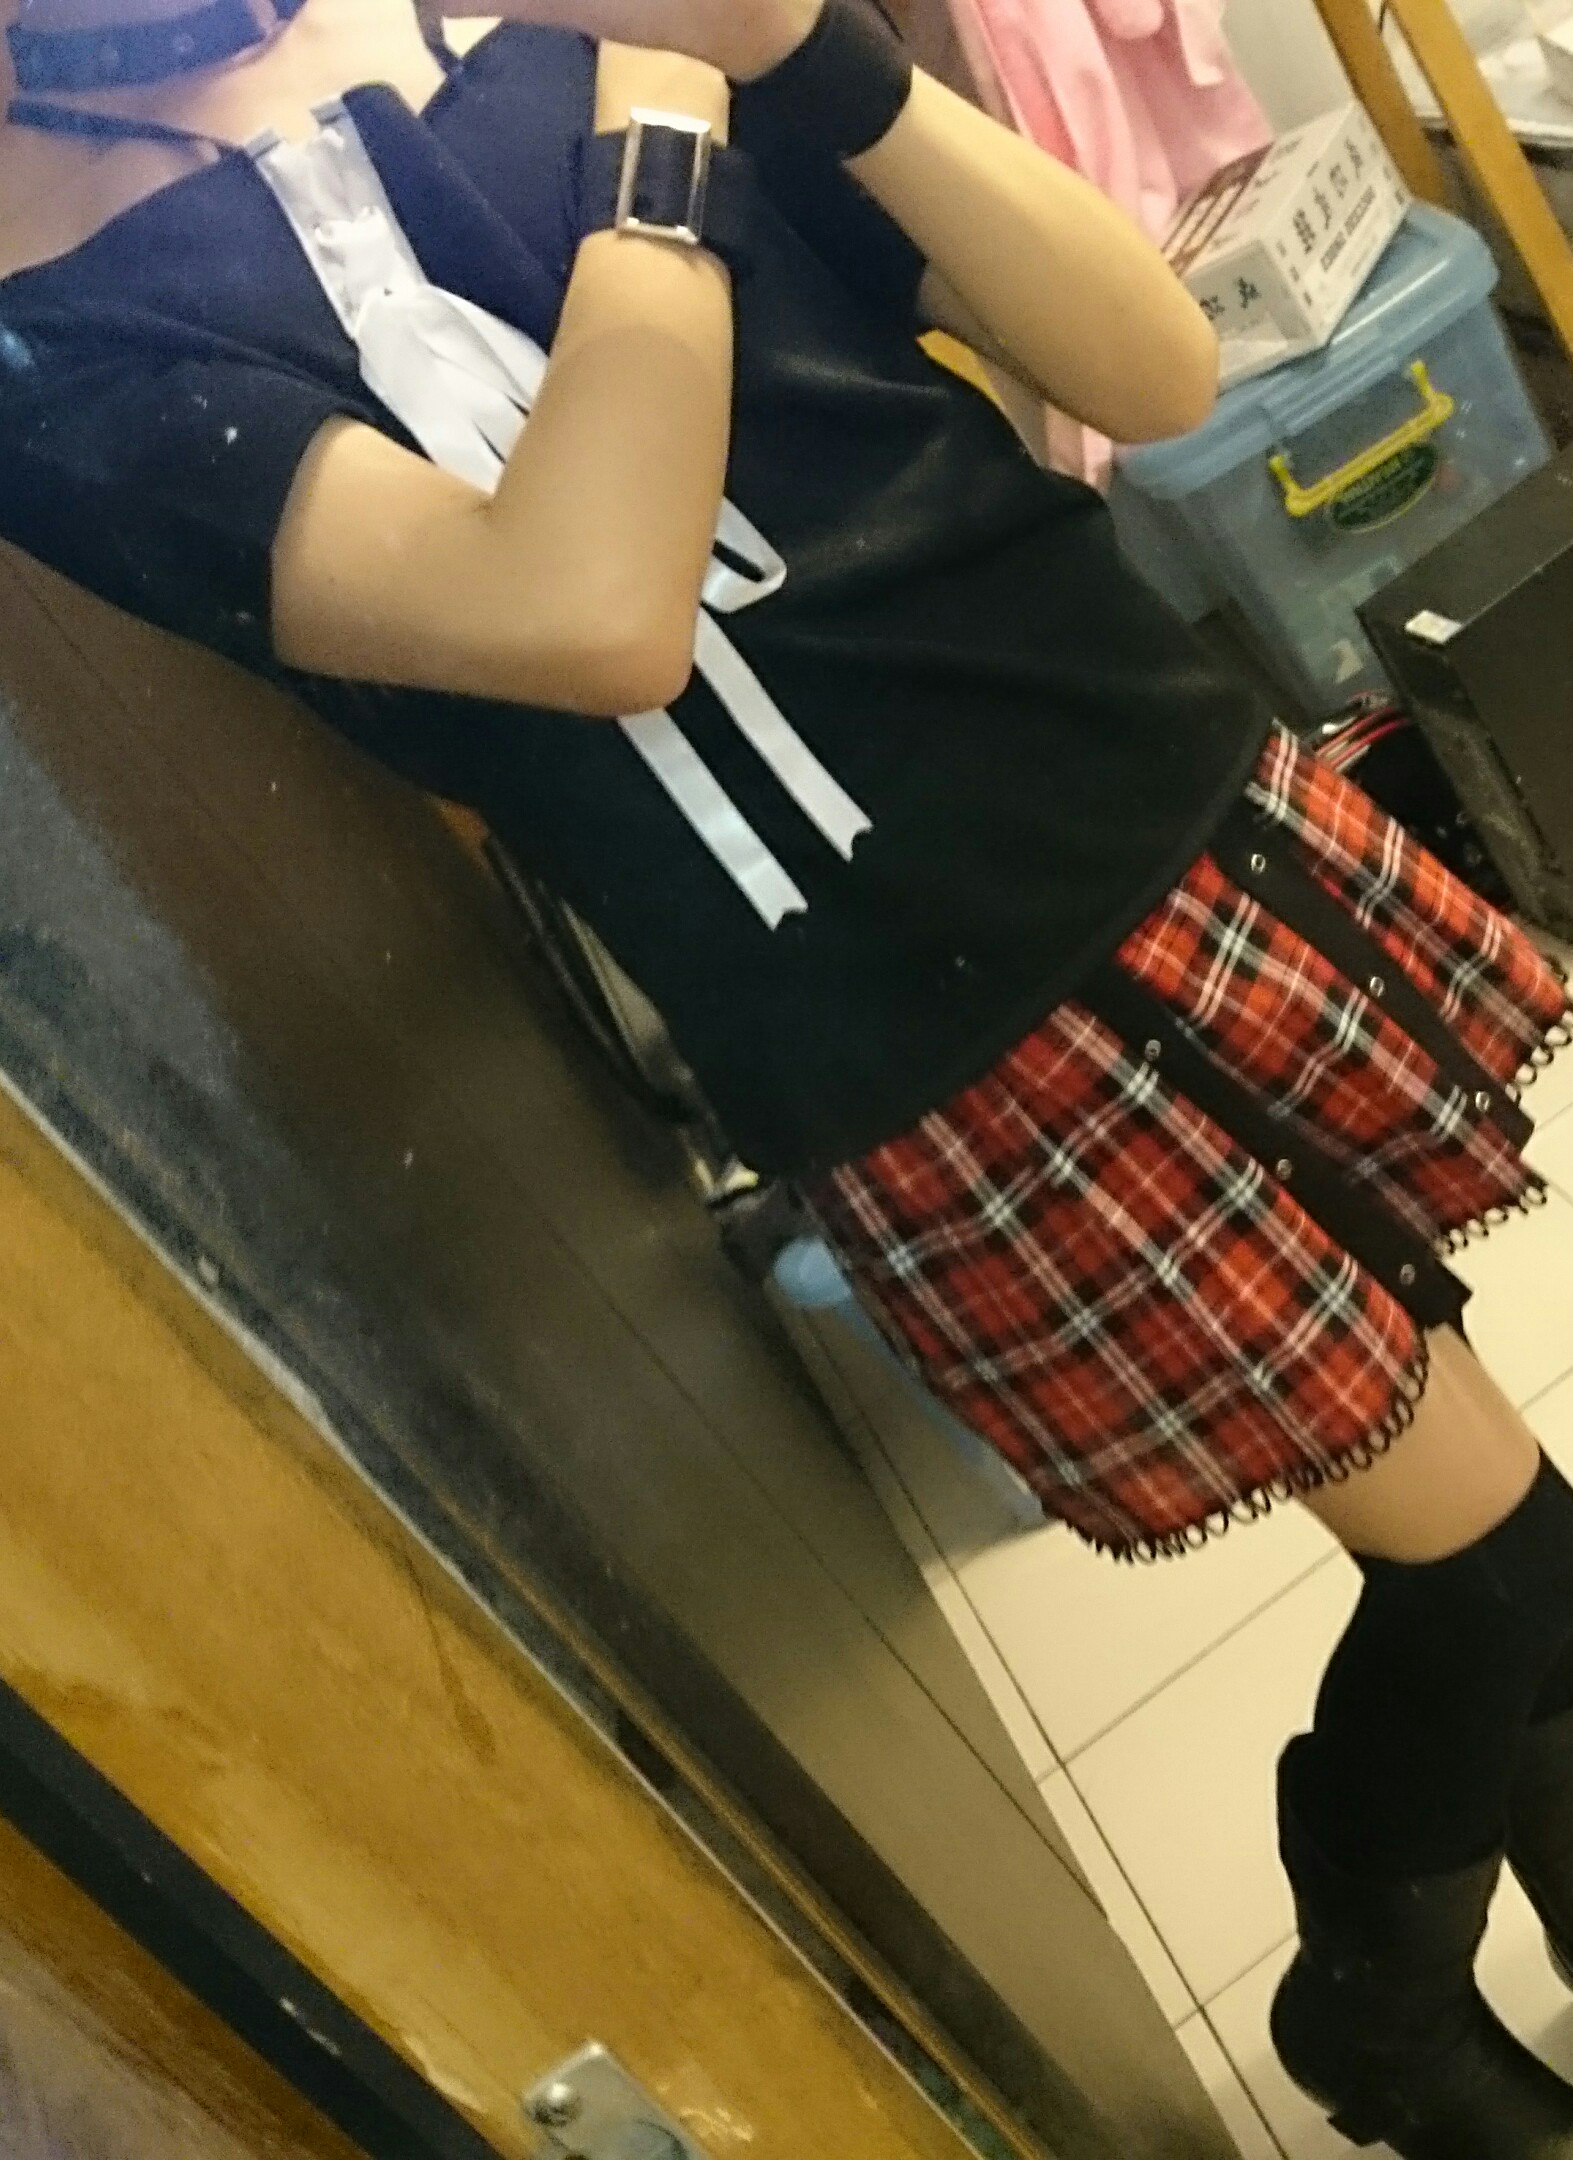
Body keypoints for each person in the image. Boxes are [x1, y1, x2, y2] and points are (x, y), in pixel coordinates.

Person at [1, 0, 1571, 2146]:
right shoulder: (61, 348)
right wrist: (667, 101)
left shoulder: (510, 30)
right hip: (939, 1031)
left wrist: (810, 49)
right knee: (1494, 1555)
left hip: (1165, 799)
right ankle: (1376, 2018)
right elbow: (590, 611)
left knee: (1458, 1462)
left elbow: (1152, 371)